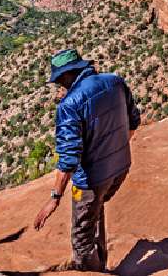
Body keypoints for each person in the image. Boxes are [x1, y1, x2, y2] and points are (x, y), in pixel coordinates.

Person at [33, 49, 141, 272]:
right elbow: (133, 122)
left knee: (82, 239)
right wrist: (114, 150)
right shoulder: (115, 81)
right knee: (97, 209)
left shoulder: (69, 105)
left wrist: (54, 198)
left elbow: (69, 159)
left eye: (59, 80)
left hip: (91, 180)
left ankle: (90, 269)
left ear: (67, 75)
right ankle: (101, 263)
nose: (59, 87)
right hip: (120, 168)